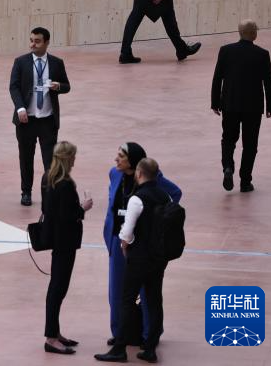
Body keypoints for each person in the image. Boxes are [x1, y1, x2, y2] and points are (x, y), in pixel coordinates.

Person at [103, 143, 181, 347]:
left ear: (134, 163)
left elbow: (175, 194)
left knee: (147, 292)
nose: (116, 159)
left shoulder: (152, 177)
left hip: (143, 244)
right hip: (118, 239)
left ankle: (149, 335)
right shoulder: (114, 174)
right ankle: (119, 333)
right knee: (117, 291)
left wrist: (157, 221)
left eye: (121, 156)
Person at [95, 158, 171, 364]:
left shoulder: (137, 199)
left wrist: (124, 246)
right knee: (154, 301)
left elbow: (127, 233)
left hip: (138, 258)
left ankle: (120, 348)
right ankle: (150, 348)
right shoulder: (164, 196)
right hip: (158, 258)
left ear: (140, 173)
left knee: (126, 300)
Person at [41, 141, 93, 355]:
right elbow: (67, 216)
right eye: (73, 157)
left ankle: (55, 332)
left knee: (57, 287)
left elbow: (48, 209)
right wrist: (83, 208)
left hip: (55, 238)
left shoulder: (48, 178)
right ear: (67, 158)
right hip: (66, 241)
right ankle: (51, 337)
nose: (74, 161)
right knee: (58, 288)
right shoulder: (65, 184)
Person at [211, 19, 271, 193]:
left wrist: (215, 102)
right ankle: (245, 181)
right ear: (254, 34)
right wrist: (270, 106)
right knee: (250, 144)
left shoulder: (226, 51)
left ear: (240, 33)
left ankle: (228, 167)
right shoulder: (262, 54)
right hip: (253, 107)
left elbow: (217, 78)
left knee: (228, 139)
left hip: (230, 104)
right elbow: (268, 82)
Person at [10, 27, 71, 206]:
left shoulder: (56, 63)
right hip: (26, 120)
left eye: (37, 41)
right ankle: (26, 192)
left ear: (46, 43)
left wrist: (58, 86)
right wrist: (20, 108)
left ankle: (50, 194)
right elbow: (14, 87)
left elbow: (67, 86)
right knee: (26, 158)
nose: (32, 44)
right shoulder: (20, 62)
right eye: (31, 40)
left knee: (50, 161)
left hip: (47, 120)